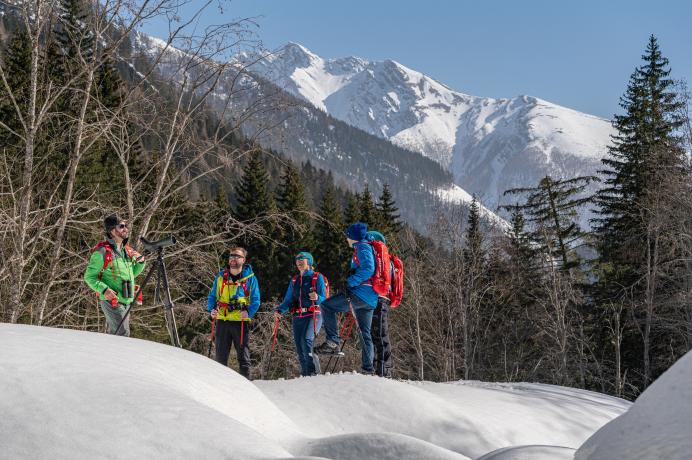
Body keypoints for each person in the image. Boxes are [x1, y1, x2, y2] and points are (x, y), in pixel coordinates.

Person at [315, 222, 378, 375]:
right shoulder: (366, 246)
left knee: (327, 306)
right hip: (370, 299)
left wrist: (350, 282)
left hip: (359, 294)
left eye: (348, 236)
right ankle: (368, 369)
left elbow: (368, 269)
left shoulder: (362, 247)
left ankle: (332, 342)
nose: (346, 239)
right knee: (365, 333)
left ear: (353, 237)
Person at [84, 214, 146, 337]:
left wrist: (141, 263)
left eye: (126, 226)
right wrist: (104, 289)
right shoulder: (102, 252)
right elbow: (89, 277)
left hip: (127, 300)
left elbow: (131, 274)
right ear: (112, 231)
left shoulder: (126, 251)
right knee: (122, 334)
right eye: (121, 226)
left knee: (116, 336)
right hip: (112, 300)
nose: (126, 229)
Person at [207, 247, 260, 379]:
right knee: (220, 357)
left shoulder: (250, 279)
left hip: (240, 322)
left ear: (244, 259)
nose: (233, 258)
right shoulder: (220, 277)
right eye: (231, 256)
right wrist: (212, 309)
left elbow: (256, 300)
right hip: (222, 320)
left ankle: (246, 387)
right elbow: (212, 296)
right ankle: (221, 386)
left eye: (237, 256)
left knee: (243, 357)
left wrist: (248, 312)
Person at [275, 252, 327, 376]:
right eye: (297, 260)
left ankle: (313, 372)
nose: (298, 262)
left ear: (308, 262)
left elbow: (324, 298)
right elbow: (288, 299)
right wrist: (279, 310)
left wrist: (317, 297)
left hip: (314, 314)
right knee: (299, 345)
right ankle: (305, 374)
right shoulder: (294, 280)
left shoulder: (317, 277)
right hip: (298, 316)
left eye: (301, 260)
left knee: (306, 340)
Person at [367, 230, 394, 378]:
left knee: (374, 334)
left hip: (374, 298)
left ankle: (381, 370)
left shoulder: (375, 257)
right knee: (379, 334)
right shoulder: (386, 260)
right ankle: (383, 369)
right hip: (382, 299)